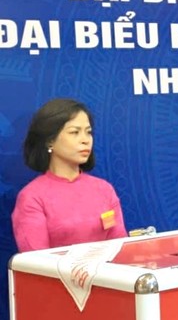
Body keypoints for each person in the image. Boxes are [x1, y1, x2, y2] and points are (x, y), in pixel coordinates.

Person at [11, 98, 127, 252]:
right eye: (74, 132)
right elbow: (36, 261)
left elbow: (120, 246)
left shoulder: (104, 190)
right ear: (50, 140)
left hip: (107, 268)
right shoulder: (32, 197)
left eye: (88, 132)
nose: (85, 140)